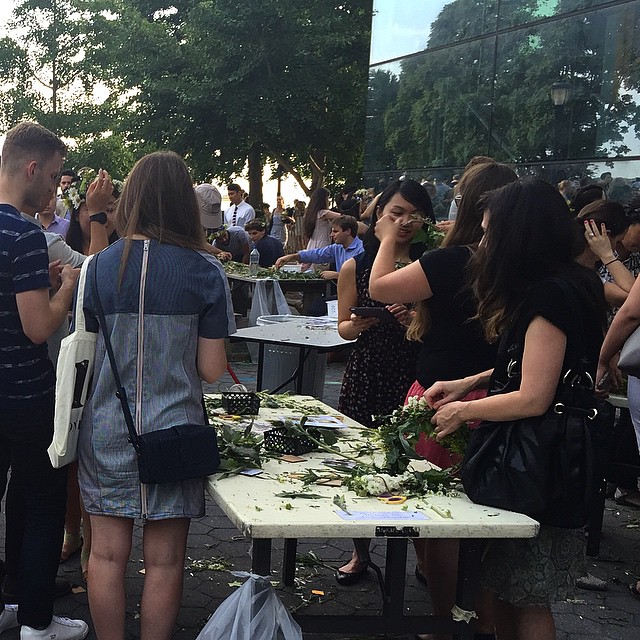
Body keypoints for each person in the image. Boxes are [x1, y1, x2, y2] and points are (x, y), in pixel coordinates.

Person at [426, 178, 606, 640]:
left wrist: (463, 412)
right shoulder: (573, 283)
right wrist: (469, 382)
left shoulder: (548, 295)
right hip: (551, 460)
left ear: (517, 235)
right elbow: (541, 365)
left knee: (525, 596)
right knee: (510, 589)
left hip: (539, 465)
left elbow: (533, 396)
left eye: (489, 232)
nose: (483, 244)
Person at [77, 150, 235, 640]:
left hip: (106, 429)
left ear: (132, 199)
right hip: (176, 431)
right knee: (165, 563)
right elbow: (211, 370)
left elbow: (87, 350)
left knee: (106, 556)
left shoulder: (97, 268)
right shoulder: (206, 271)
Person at [368, 162, 518, 640]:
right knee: (488, 520)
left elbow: (378, 287)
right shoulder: (522, 265)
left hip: (441, 398)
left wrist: (386, 236)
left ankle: (446, 622)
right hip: (505, 397)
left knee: (438, 519)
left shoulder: (452, 261)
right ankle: (484, 621)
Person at [0, 121, 87, 640]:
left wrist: (41, 284)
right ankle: (36, 622)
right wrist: (67, 288)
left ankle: (6, 603)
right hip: (26, 395)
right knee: (42, 505)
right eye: (54, 177)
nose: (55, 188)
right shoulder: (25, 233)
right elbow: (37, 328)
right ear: (31, 169)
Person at [334, 178, 431, 585]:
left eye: (415, 215)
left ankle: (425, 557)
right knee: (361, 464)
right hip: (368, 372)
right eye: (397, 213)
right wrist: (359, 324)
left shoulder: (431, 264)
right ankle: (359, 553)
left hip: (415, 374)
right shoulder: (356, 265)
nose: (405, 222)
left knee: (417, 465)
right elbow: (342, 327)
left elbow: (445, 327)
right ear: (379, 215)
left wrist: (417, 321)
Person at [275, 215, 364, 280]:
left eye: (335, 231)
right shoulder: (337, 248)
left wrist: (337, 275)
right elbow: (317, 254)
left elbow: (361, 277)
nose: (331, 235)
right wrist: (292, 257)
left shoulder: (362, 250)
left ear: (348, 231)